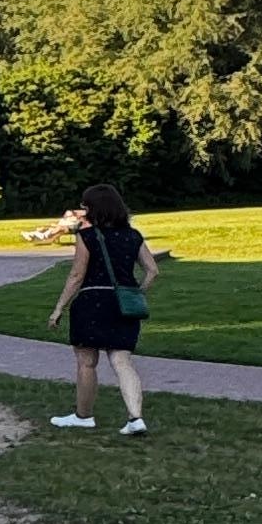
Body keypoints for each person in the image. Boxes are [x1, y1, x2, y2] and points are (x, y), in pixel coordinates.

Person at [49, 181, 156, 434]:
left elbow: (77, 275)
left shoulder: (87, 236)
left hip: (92, 302)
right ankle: (135, 418)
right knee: (122, 360)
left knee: (86, 362)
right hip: (123, 305)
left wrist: (58, 308)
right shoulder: (133, 235)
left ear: (94, 208)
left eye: (85, 206)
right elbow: (152, 271)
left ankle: (83, 416)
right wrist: (136, 292)